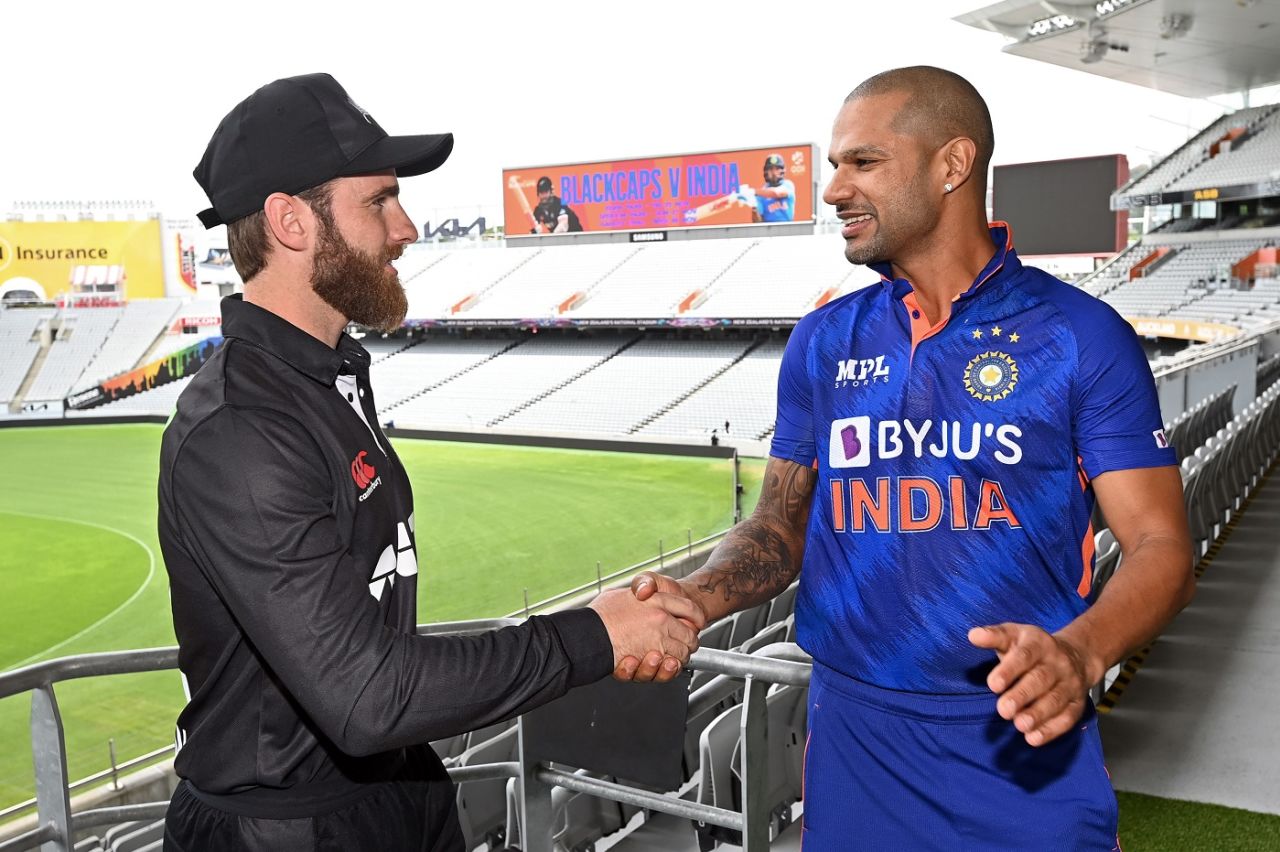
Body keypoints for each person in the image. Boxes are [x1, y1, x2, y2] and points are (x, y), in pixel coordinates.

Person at [626, 66, 1194, 849]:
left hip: (1017, 737)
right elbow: (779, 526)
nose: (832, 190)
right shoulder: (825, 341)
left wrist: (1082, 649)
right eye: (834, 166)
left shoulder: (1078, 336)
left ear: (951, 166)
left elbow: (1162, 545)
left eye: (862, 163)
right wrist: (699, 596)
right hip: (854, 739)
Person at [159, 73, 702, 852]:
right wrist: (594, 636)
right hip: (286, 830)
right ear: (289, 222)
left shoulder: (329, 377)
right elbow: (366, 696)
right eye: (378, 200)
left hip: (394, 786)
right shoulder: (239, 433)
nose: (407, 226)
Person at [753, 153, 796, 222]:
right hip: (769, 229)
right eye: (770, 169)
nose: (774, 172)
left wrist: (753, 191)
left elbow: (776, 193)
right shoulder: (760, 194)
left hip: (788, 228)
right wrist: (754, 210)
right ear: (766, 171)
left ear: (782, 170)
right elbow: (757, 222)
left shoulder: (788, 185)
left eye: (777, 169)